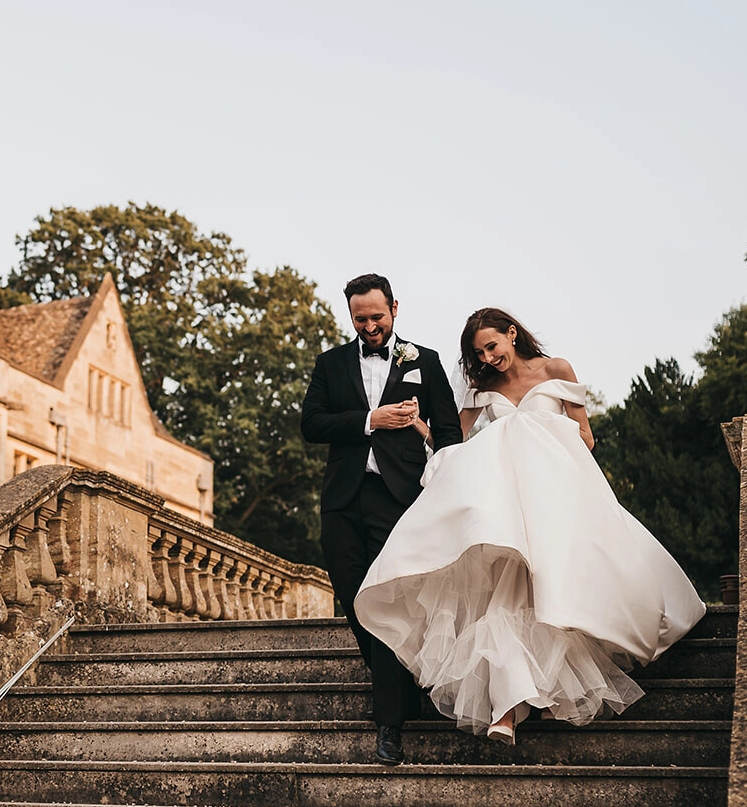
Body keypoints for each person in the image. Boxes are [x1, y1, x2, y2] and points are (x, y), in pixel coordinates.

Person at [353, 307, 706, 744]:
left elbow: (587, 439)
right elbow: (455, 444)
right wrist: (420, 425)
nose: (486, 358)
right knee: (509, 593)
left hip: (557, 496)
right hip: (509, 509)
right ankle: (509, 707)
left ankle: (547, 694)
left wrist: (536, 437)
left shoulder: (555, 369)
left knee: (558, 589)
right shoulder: (482, 388)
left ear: (512, 333)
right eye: (478, 353)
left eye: (491, 346)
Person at [300, 273, 463, 766]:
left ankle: (389, 723)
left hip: (399, 499)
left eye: (377, 316)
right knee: (352, 594)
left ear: (395, 307)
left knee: (386, 599)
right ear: (350, 316)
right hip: (343, 498)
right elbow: (311, 424)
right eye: (360, 319)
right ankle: (407, 687)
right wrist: (370, 420)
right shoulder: (330, 364)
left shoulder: (426, 362)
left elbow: (452, 438)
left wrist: (414, 424)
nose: (370, 326)